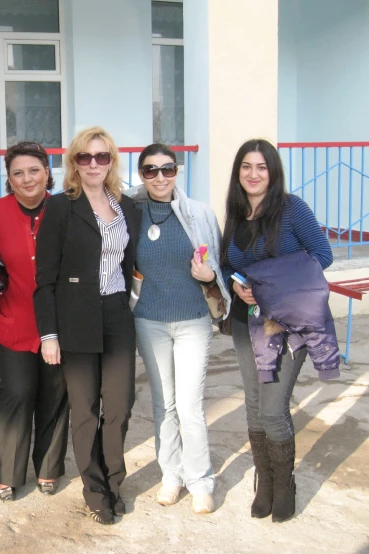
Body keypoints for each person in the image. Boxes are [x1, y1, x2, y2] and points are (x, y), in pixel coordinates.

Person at [220, 138, 334, 523]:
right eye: (246, 167)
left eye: (261, 167)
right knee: (253, 405)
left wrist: (275, 283)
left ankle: (285, 484)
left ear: (273, 172)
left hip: (286, 322)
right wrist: (236, 284)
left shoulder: (291, 208)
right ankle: (264, 482)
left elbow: (323, 254)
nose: (253, 174)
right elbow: (225, 262)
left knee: (272, 409)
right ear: (238, 173)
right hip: (245, 320)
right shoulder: (236, 212)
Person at [34, 127, 142, 525]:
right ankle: (95, 491)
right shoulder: (61, 207)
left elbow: (133, 264)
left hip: (116, 313)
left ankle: (115, 483)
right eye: (85, 157)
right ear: (74, 163)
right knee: (85, 408)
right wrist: (49, 333)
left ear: (112, 161)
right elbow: (44, 278)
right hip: (75, 314)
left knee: (119, 406)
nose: (94, 164)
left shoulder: (128, 207)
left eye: (102, 157)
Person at [127, 143, 231, 514]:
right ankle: (171, 476)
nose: (160, 177)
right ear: (141, 174)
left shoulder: (199, 213)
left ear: (177, 171)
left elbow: (219, 265)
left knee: (190, 406)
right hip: (149, 320)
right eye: (151, 170)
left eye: (167, 169)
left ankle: (200, 480)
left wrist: (208, 277)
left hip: (192, 320)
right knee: (164, 404)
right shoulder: (131, 211)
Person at [0, 142, 69, 502]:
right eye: (18, 172)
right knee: (17, 392)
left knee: (54, 393)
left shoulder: (66, 209)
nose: (27, 178)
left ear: (48, 172)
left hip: (60, 322)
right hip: (10, 319)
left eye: (34, 170)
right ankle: (6, 470)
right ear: (9, 178)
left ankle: (49, 467)